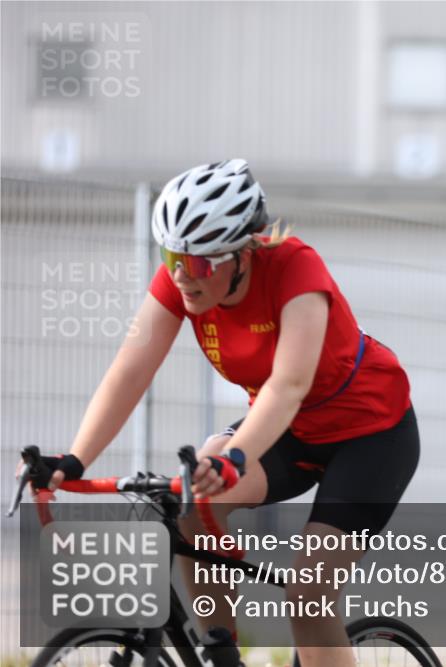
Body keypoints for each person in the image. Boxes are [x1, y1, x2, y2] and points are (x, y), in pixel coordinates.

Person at [37, 159, 420, 667]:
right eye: (171, 255)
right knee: (195, 502)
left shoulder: (296, 270)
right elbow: (129, 372)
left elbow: (288, 386)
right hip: (290, 431)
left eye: (197, 263)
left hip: (371, 434)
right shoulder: (183, 279)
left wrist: (235, 458)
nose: (180, 274)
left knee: (308, 591)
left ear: (242, 255)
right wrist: (75, 459)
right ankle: (223, 655)